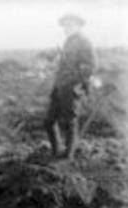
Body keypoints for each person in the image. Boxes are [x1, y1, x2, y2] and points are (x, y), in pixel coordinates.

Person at [45, 13, 96, 160]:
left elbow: (91, 66)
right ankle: (56, 152)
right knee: (48, 121)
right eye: (65, 26)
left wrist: (74, 80)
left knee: (69, 122)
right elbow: (65, 64)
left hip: (71, 88)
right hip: (59, 86)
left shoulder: (85, 42)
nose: (66, 28)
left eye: (70, 25)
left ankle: (68, 156)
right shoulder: (68, 41)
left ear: (78, 26)